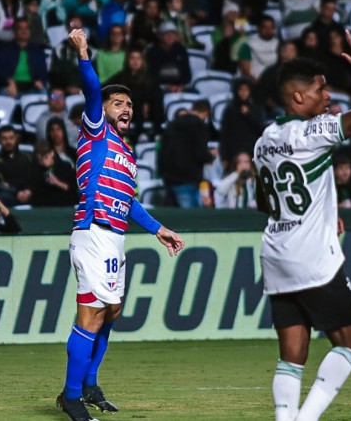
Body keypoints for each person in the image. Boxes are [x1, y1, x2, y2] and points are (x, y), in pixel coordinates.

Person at [56, 28, 184, 421]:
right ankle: (71, 396)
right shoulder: (95, 131)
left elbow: (128, 203)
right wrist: (83, 53)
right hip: (93, 233)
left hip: (114, 239)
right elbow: (92, 90)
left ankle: (90, 383)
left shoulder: (126, 152)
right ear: (104, 109)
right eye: (118, 103)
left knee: (110, 313)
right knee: (91, 314)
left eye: (129, 104)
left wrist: (158, 228)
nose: (125, 108)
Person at [252, 29, 351, 421]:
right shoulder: (314, 131)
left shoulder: (263, 141)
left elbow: (263, 202)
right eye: (321, 90)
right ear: (298, 97)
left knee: (292, 355)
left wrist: (319, 208)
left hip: (276, 254)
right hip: (312, 257)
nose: (328, 97)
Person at [158, 100, 214, 208]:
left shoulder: (172, 125)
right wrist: (211, 156)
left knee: (175, 219)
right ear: (205, 113)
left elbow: (162, 151)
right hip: (188, 179)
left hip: (169, 178)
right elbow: (200, 154)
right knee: (190, 221)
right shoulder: (199, 127)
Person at [105, 47, 161, 143]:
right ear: (127, 60)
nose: (135, 61)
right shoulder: (121, 77)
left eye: (138, 58)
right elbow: (105, 88)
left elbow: (155, 96)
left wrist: (147, 103)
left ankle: (156, 133)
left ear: (143, 61)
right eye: (132, 58)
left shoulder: (150, 78)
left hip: (147, 114)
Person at [0, 18, 48, 97]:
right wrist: (10, 82)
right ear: (14, 31)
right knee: (4, 94)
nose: (24, 31)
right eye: (20, 28)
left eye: (27, 28)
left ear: (30, 31)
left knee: (44, 94)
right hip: (11, 86)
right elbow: (0, 72)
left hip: (32, 86)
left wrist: (40, 81)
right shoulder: (5, 49)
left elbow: (43, 72)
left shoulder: (37, 50)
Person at [220, 79, 266, 164]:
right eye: (241, 89)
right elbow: (225, 134)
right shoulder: (230, 110)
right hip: (233, 153)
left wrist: (249, 115)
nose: (244, 92)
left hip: (252, 151)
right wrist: (224, 157)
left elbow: (261, 129)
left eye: (246, 90)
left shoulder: (257, 109)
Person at [0, 125, 34, 206]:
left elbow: (34, 176)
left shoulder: (28, 156)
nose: (8, 141)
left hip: (28, 192)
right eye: (4, 138)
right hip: (9, 194)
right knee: (2, 197)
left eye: (11, 138)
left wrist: (29, 190)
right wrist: (16, 192)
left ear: (16, 139)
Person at [144, 21, 191, 93]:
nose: (170, 36)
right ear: (159, 36)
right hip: (158, 88)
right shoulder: (152, 51)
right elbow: (150, 75)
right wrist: (166, 86)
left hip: (179, 88)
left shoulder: (181, 49)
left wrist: (180, 86)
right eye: (166, 34)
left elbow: (186, 72)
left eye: (172, 33)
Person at [30, 140, 78, 207]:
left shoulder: (65, 167)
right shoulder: (35, 170)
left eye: (46, 157)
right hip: (43, 208)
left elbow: (72, 190)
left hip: (63, 206)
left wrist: (57, 183)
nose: (44, 162)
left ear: (52, 153)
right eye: (40, 160)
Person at [240, 15, 279, 82]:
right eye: (265, 27)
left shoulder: (280, 45)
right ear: (258, 28)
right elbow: (245, 71)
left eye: (271, 27)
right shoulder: (247, 45)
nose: (268, 30)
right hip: (255, 84)